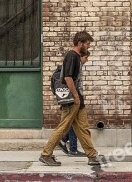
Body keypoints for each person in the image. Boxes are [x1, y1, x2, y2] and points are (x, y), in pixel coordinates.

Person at [40, 31, 104, 167]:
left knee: (83, 128)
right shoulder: (72, 56)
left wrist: (78, 98)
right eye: (87, 44)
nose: (89, 46)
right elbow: (68, 78)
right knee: (63, 127)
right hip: (72, 100)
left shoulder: (76, 57)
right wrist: (75, 96)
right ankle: (46, 154)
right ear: (80, 43)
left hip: (77, 100)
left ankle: (92, 155)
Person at [59, 51, 90, 156]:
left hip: (74, 98)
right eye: (86, 58)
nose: (87, 60)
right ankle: (72, 148)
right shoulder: (75, 63)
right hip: (73, 99)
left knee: (72, 123)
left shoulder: (77, 66)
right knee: (72, 124)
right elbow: (69, 80)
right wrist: (77, 97)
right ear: (81, 57)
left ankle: (64, 141)